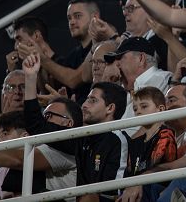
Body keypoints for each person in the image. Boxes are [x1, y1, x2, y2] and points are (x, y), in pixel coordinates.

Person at [21, 54, 129, 201]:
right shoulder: (81, 137)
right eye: (86, 99)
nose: (84, 105)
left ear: (110, 108)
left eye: (92, 100)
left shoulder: (118, 140)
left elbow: (112, 194)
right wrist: (30, 78)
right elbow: (37, 126)